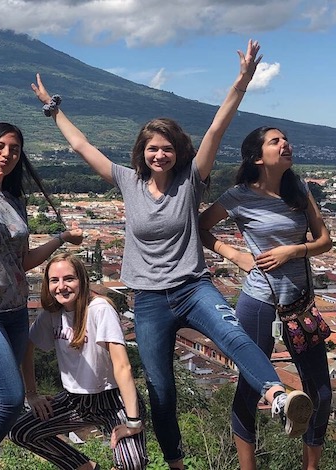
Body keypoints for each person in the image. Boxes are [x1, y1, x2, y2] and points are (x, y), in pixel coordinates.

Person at [32, 40, 312, 469]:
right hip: (147, 300)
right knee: (161, 388)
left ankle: (278, 396)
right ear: (142, 154)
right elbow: (83, 147)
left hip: (192, 287)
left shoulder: (191, 179)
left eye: (166, 148)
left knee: (233, 336)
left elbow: (217, 128)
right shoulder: (127, 181)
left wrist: (240, 83)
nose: (159, 154)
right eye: (151, 149)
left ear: (177, 151)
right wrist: (54, 110)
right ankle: (176, 462)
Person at [0, 122, 84, 470]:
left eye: (14, 148)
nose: (6, 153)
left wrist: (60, 238)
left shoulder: (15, 201)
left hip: (13, 310)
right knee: (9, 399)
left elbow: (22, 261)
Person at [199, 126, 333, 470]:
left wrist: (293, 250)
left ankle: (311, 466)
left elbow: (324, 241)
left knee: (320, 393)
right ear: (258, 157)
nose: (285, 144)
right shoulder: (239, 195)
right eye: (276, 141)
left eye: (285, 139)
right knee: (250, 387)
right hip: (259, 301)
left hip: (300, 304)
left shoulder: (299, 191)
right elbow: (201, 227)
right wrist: (233, 254)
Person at [9, 253, 148, 470]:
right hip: (75, 402)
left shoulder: (100, 309)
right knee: (22, 432)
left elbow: (122, 366)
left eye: (69, 279)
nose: (61, 287)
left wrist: (132, 422)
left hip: (113, 400)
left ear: (82, 280)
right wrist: (32, 394)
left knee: (133, 465)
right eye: (55, 280)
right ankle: (86, 467)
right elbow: (28, 346)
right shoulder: (51, 314)